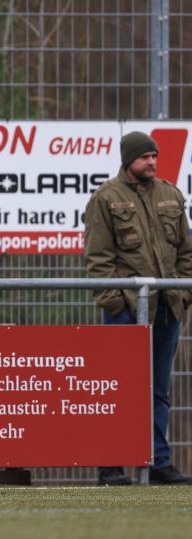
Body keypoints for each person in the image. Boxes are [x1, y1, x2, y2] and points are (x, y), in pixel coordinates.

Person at [84, 131, 192, 486]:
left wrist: (182, 294)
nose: (152, 162)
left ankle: (159, 462)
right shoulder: (106, 198)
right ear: (129, 159)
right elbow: (98, 259)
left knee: (159, 390)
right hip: (126, 311)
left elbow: (187, 252)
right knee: (117, 388)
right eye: (145, 157)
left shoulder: (171, 195)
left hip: (167, 309)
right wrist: (117, 304)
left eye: (154, 156)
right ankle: (111, 466)